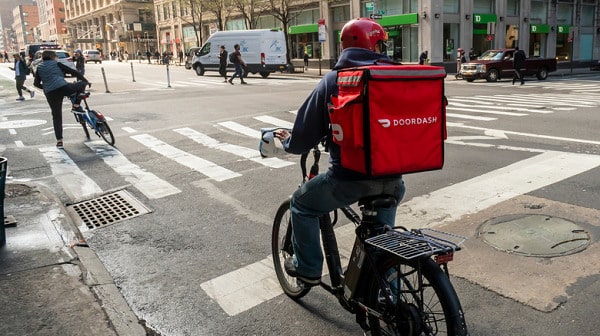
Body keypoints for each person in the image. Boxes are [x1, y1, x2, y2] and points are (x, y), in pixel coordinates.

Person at [273, 18, 405, 286]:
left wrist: (287, 141)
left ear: (345, 45)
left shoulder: (335, 80)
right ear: (376, 45)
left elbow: (301, 139)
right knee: (383, 244)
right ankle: (391, 299)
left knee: (301, 204)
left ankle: (308, 268)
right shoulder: (397, 77)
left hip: (348, 181)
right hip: (394, 181)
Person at [33, 50, 89, 149]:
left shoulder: (39, 67)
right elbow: (74, 72)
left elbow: (36, 84)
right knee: (82, 85)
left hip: (50, 93)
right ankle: (76, 105)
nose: (57, 58)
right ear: (53, 57)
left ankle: (59, 141)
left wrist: (46, 87)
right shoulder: (57, 64)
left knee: (56, 116)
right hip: (63, 87)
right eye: (56, 56)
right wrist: (86, 81)